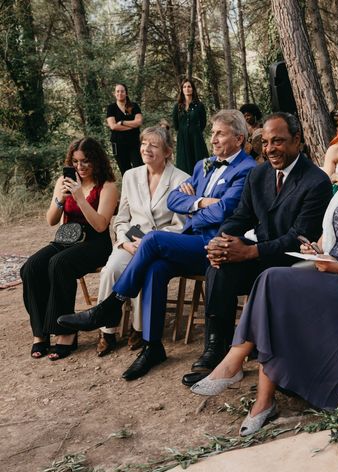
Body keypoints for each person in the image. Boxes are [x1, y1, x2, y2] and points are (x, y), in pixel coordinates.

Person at [190, 123, 338, 437]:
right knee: (271, 286)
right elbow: (334, 238)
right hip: (330, 277)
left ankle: (236, 363)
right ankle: (260, 398)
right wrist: (316, 248)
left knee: (271, 283)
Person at [57, 110, 257, 380]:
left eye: (219, 133)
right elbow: (174, 200)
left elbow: (225, 212)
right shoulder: (203, 165)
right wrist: (199, 203)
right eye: (212, 133)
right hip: (192, 241)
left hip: (217, 244)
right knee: (156, 267)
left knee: (152, 239)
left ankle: (111, 305)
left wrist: (195, 205)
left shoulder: (247, 170)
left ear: (239, 138)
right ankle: (152, 346)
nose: (213, 139)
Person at [181, 112, 333, 388]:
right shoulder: (258, 173)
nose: (270, 149)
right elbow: (241, 216)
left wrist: (250, 252)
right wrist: (222, 241)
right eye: (265, 142)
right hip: (261, 254)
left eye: (278, 141)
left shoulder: (316, 182)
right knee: (219, 265)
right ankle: (217, 348)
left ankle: (246, 353)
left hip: (291, 262)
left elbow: (298, 238)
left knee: (248, 264)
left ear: (297, 140)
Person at [95, 124, 190, 356]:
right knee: (111, 269)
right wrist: (125, 242)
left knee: (146, 270)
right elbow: (121, 218)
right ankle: (106, 330)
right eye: (143, 143)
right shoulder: (130, 175)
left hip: (158, 244)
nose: (146, 149)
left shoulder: (181, 180)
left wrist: (152, 241)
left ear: (168, 151)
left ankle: (139, 329)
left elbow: (182, 226)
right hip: (130, 240)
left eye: (154, 145)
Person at [21, 138, 118, 360]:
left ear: (96, 161)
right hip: (66, 239)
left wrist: (80, 199)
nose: (80, 167)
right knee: (31, 267)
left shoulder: (108, 186)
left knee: (59, 264)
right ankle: (41, 333)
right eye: (75, 162)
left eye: (85, 161)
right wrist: (60, 201)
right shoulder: (63, 182)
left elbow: (101, 224)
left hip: (95, 243)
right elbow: (51, 221)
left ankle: (66, 332)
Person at [172, 79, 209, 175]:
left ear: (193, 89)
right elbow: (176, 124)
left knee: (199, 161)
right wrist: (184, 131)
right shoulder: (178, 107)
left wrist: (195, 131)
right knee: (184, 163)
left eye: (189, 86)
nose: (187, 89)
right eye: (184, 87)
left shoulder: (199, 106)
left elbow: (203, 123)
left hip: (196, 138)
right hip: (183, 138)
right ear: (182, 90)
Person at [106, 83, 143, 175]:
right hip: (118, 144)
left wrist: (122, 122)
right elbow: (113, 126)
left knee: (139, 168)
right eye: (117, 91)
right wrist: (132, 126)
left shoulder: (134, 106)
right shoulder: (111, 108)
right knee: (125, 171)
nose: (120, 93)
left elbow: (139, 122)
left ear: (126, 93)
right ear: (114, 94)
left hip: (134, 143)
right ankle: (129, 189)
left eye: (122, 91)